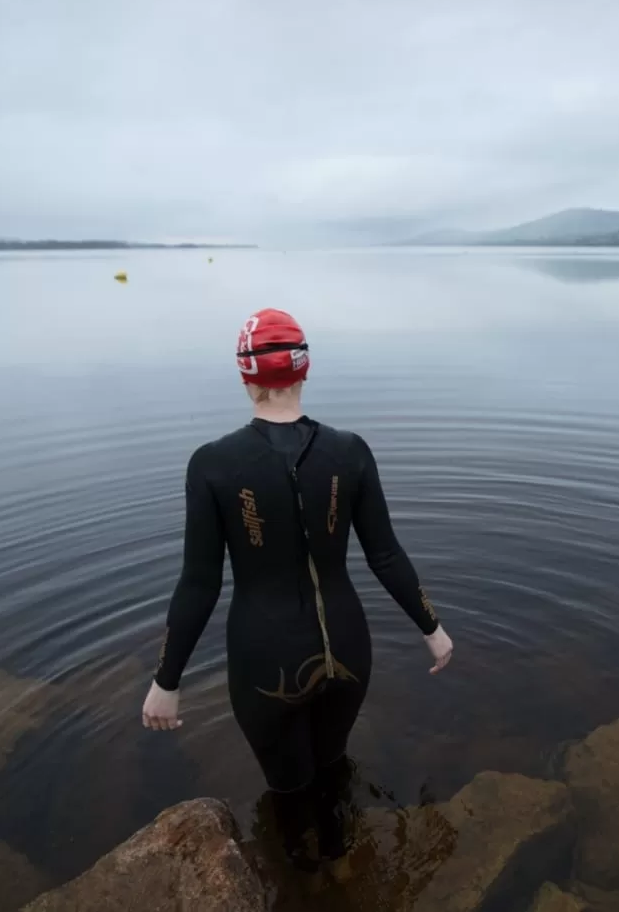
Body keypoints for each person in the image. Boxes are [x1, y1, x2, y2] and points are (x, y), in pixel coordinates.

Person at [141, 308, 454, 868]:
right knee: (333, 769)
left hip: (269, 666)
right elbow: (385, 554)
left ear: (245, 376)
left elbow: (199, 584)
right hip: (350, 653)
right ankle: (341, 861)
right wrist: (432, 628)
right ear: (305, 370)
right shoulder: (351, 451)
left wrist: (167, 679)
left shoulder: (212, 465)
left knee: (288, 794)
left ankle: (304, 882)